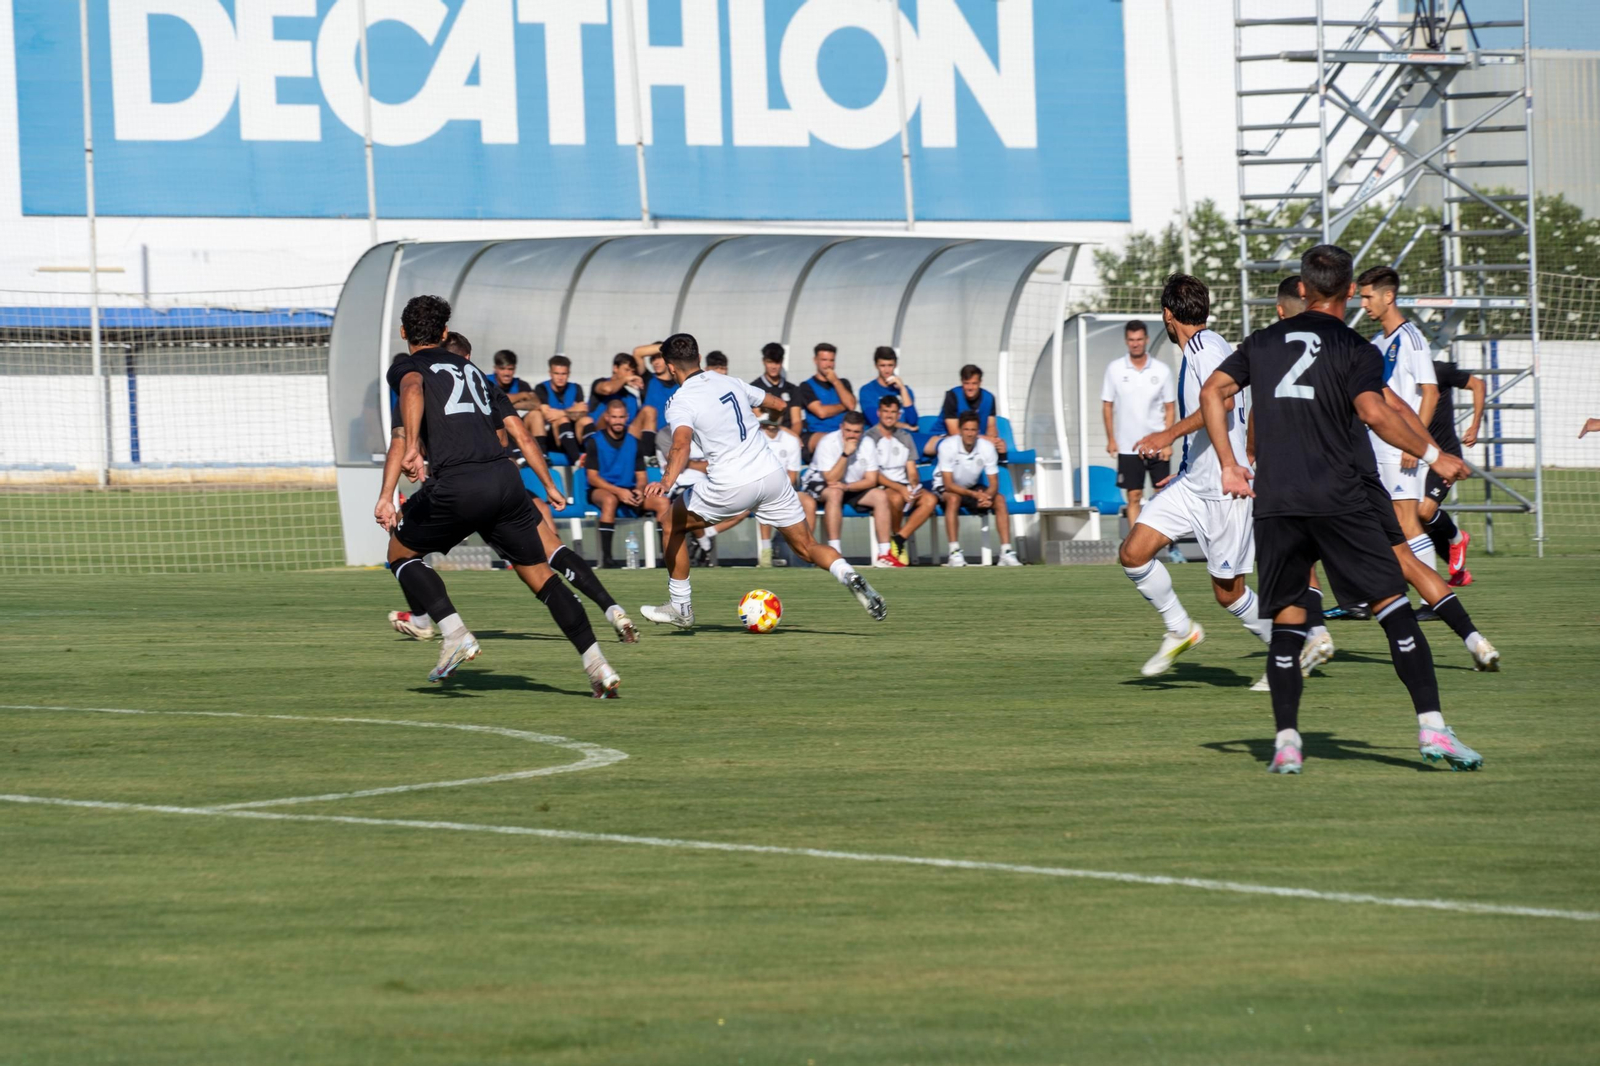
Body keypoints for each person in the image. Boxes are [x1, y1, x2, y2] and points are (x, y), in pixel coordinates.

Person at [1200, 244, 1481, 774]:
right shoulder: (1357, 348)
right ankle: (1433, 730)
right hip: (1339, 498)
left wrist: (1230, 465)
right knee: (1393, 607)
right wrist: (1434, 455)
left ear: (1302, 288)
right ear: (1350, 291)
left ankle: (1287, 742)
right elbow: (1375, 412)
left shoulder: (1261, 342)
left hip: (1278, 503)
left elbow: (1213, 391)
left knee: (1289, 622)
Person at [375, 295, 620, 697]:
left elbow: (409, 406)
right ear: (444, 333)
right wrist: (550, 484)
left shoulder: (408, 368)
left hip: (459, 481)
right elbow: (516, 432)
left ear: (403, 332)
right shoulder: (473, 372)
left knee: (400, 552)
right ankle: (598, 664)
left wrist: (396, 480)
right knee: (540, 575)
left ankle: (453, 632)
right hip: (505, 481)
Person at [640, 333, 885, 627]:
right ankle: (847, 573)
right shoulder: (729, 381)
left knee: (671, 523)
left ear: (669, 367)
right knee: (807, 546)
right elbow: (778, 404)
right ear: (699, 358)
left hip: (731, 482)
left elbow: (680, 444)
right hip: (771, 476)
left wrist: (665, 483)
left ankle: (681, 607)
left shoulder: (679, 401)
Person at [1116, 275, 1273, 684]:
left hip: (1223, 490)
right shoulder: (1206, 347)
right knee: (1133, 553)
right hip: (1192, 484)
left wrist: (1167, 435)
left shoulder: (1205, 349)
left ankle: (1291, 646)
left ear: (1168, 315)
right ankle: (1180, 628)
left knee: (1229, 594)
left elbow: (1222, 402)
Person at [1357, 266, 1439, 574]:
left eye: (1368, 297)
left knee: (1407, 522)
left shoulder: (1411, 339)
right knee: (1383, 523)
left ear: (1388, 296)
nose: (1363, 304)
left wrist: (1413, 444)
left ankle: (1431, 595)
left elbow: (1430, 393)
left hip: (1400, 448)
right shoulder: (1377, 341)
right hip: (1378, 446)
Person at [1101, 320, 1176, 527]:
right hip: (1128, 445)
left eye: (1139, 339)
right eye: (1132, 340)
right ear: (1127, 341)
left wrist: (1167, 442)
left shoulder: (1161, 370)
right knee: (1133, 495)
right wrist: (1111, 439)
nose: (1135, 344)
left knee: (1162, 494)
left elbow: (1170, 407)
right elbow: (1107, 405)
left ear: (1146, 340)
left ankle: (1165, 541)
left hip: (1157, 443)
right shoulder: (1115, 369)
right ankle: (1136, 542)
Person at [584, 398, 671, 566]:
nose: (618, 421)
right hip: (602, 489)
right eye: (614, 417)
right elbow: (592, 478)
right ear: (607, 417)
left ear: (627, 417)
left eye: (621, 417)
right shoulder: (595, 441)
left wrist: (639, 489)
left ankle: (665, 555)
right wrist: (618, 491)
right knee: (610, 499)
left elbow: (641, 477)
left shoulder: (634, 442)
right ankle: (607, 559)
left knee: (663, 502)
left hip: (629, 490)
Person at [1421, 356, 1485, 585]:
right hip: (1417, 455)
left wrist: (1474, 426)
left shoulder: (1437, 371)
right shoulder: (1396, 378)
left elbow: (1478, 384)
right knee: (1420, 523)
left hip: (1445, 456)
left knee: (1425, 511)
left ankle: (1458, 538)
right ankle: (1460, 573)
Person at [804, 411, 897, 567]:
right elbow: (830, 479)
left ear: (862, 431)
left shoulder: (868, 443)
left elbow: (871, 480)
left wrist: (847, 487)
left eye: (856, 432)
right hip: (819, 483)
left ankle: (885, 554)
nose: (851, 435)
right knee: (835, 493)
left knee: (880, 496)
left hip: (849, 485)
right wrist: (845, 454)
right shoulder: (827, 442)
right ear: (841, 427)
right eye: (848, 430)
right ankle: (835, 553)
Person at [935, 411, 1021, 567]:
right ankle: (954, 553)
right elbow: (948, 484)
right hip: (946, 486)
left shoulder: (987, 448)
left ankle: (1006, 552)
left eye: (973, 430)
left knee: (1000, 500)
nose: (970, 434)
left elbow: (994, 483)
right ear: (960, 430)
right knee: (953, 499)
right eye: (966, 430)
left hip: (971, 487)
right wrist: (975, 495)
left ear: (978, 431)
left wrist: (986, 497)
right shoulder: (947, 446)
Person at [869, 394, 939, 565]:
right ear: (879, 413)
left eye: (893, 412)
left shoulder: (905, 437)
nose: (889, 415)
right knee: (895, 498)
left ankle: (898, 539)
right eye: (886, 411)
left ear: (898, 415)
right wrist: (901, 489)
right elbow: (873, 474)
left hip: (903, 485)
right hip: (880, 486)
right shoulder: (869, 438)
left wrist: (914, 485)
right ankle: (895, 541)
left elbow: (911, 470)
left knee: (930, 500)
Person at [754, 408, 811, 567]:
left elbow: (792, 474)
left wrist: (781, 490)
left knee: (809, 502)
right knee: (765, 499)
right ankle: (766, 552)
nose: (771, 424)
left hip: (786, 488)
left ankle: (806, 549)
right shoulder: (754, 438)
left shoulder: (791, 440)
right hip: (758, 487)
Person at [525, 354, 591, 466]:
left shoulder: (576, 388)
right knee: (562, 420)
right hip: (553, 436)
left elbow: (582, 413)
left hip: (573, 434)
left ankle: (594, 455)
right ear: (550, 373)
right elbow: (547, 415)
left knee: (587, 420)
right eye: (556, 373)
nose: (560, 377)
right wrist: (572, 411)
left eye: (563, 374)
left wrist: (560, 412)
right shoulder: (542, 388)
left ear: (568, 374)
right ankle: (577, 460)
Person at [793, 343, 856, 455]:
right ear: (815, 360)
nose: (828, 365)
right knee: (829, 442)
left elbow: (851, 405)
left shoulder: (843, 383)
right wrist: (843, 406)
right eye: (824, 360)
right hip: (817, 433)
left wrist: (835, 381)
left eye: (831, 360)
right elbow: (821, 412)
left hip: (843, 432)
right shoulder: (806, 386)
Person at [858, 346, 924, 445]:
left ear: (895, 365)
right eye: (882, 366)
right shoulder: (867, 391)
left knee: (939, 443)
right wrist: (905, 426)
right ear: (876, 366)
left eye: (890, 365)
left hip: (908, 437)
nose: (887, 370)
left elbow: (913, 421)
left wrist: (902, 389)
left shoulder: (905, 390)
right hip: (880, 439)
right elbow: (877, 421)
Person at [940, 365, 1007, 461]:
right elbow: (954, 433)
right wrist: (985, 440)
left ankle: (1000, 467)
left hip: (975, 441)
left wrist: (995, 441)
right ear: (961, 382)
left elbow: (991, 427)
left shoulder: (989, 398)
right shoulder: (952, 396)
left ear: (980, 382)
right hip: (947, 439)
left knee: (1001, 446)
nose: (970, 387)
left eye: (974, 383)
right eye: (966, 383)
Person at [751, 342, 804, 437]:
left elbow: (797, 422)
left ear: (782, 361)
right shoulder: (754, 388)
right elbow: (762, 420)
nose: (773, 366)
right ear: (763, 361)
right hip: (763, 438)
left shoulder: (792, 389)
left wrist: (792, 439)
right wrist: (781, 431)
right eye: (770, 362)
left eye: (777, 362)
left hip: (789, 438)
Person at [590, 352, 645, 426]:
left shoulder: (631, 398)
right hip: (596, 430)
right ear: (615, 368)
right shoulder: (600, 383)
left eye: (632, 372)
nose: (630, 375)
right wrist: (625, 379)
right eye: (627, 370)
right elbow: (607, 389)